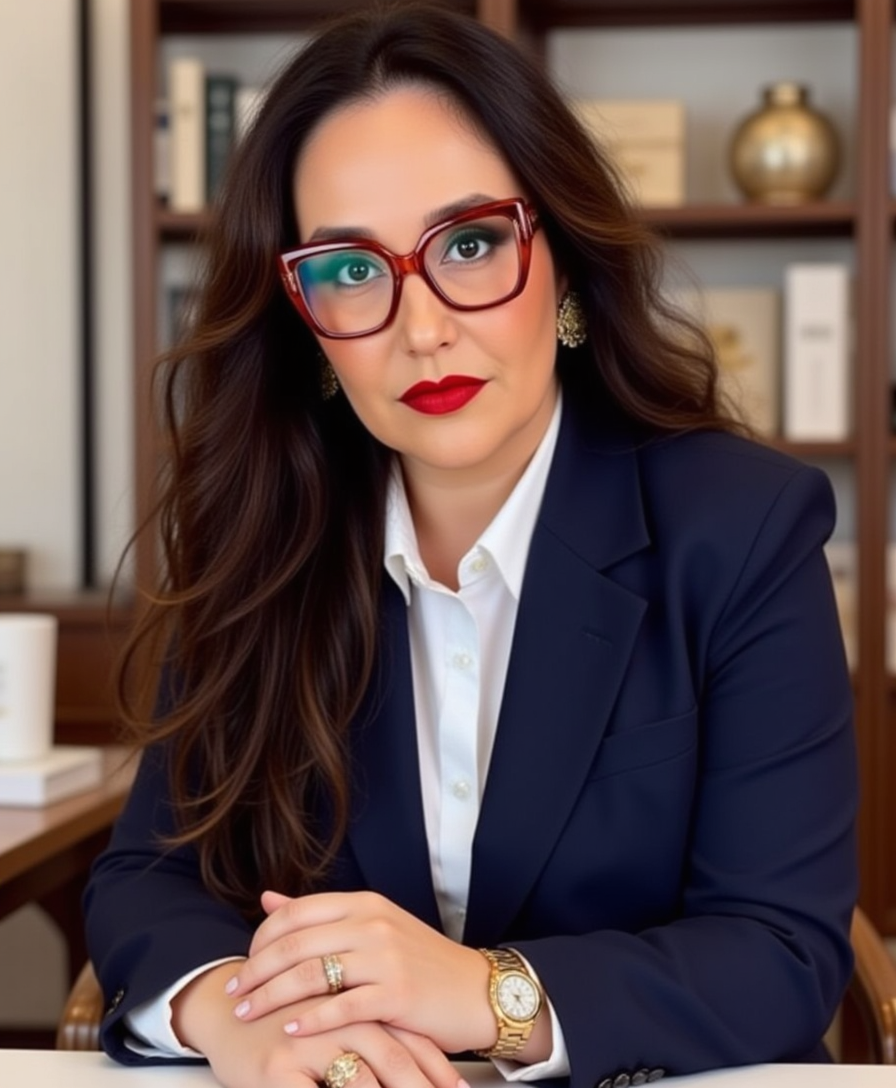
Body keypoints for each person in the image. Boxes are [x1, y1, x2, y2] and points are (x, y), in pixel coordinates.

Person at [84, 5, 859, 1088]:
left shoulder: (744, 527)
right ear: (303, 316)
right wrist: (233, 1013)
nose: (423, 327)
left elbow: (781, 950)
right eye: (351, 269)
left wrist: (482, 992)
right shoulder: (257, 533)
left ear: (563, 258)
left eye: (471, 243)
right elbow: (145, 875)